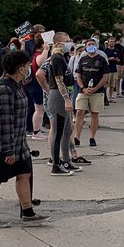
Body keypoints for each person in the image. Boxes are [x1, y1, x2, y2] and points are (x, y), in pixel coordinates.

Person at [0, 50, 46, 227]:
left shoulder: (16, 84)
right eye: (27, 65)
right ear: (20, 68)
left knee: (24, 173)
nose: (29, 68)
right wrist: (8, 151)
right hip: (1, 143)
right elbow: (4, 122)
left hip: (18, 141)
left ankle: (28, 213)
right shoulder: (4, 90)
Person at [39, 34, 76, 176]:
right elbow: (59, 81)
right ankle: (55, 164)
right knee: (58, 131)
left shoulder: (62, 57)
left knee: (67, 131)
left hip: (62, 96)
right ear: (59, 43)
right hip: (58, 97)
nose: (69, 44)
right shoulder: (56, 58)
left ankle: (66, 160)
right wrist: (66, 99)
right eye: (67, 42)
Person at [74, 38, 110, 146]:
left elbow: (106, 76)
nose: (91, 46)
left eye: (93, 44)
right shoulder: (83, 59)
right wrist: (83, 88)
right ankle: (77, 137)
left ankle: (92, 137)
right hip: (83, 90)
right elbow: (78, 75)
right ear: (85, 47)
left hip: (97, 91)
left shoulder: (101, 59)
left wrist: (96, 88)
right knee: (80, 112)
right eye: (89, 44)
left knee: (95, 113)